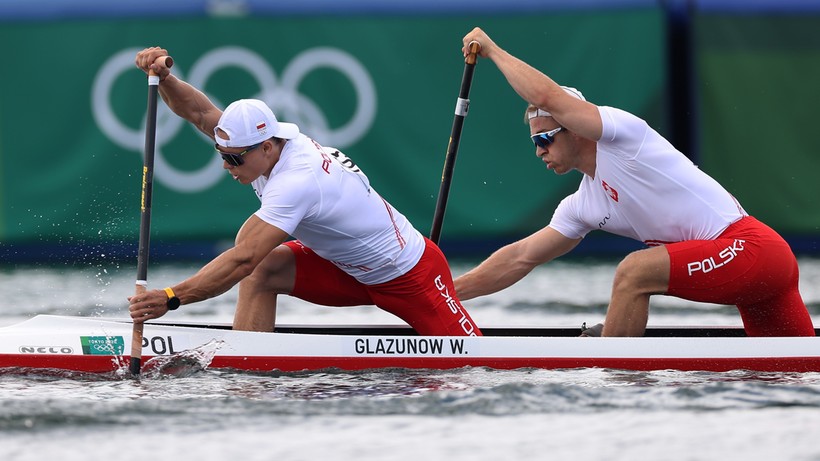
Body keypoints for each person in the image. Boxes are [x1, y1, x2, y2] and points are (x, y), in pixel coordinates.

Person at [453, 27, 815, 337]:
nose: (539, 151)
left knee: (634, 271)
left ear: (576, 129)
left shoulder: (623, 136)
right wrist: (445, 293)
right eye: (534, 142)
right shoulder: (581, 206)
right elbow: (519, 259)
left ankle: (616, 378)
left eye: (543, 139)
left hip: (751, 249)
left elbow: (547, 97)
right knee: (794, 374)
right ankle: (616, 351)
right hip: (752, 275)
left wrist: (494, 50)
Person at [128, 47, 481, 337]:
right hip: (346, 269)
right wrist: (165, 79)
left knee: (475, 365)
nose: (225, 166)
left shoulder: (296, 180)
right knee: (263, 270)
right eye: (222, 156)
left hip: (408, 274)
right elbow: (200, 112)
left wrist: (171, 298)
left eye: (233, 159)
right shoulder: (262, 145)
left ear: (266, 147)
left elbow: (242, 257)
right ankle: (248, 365)